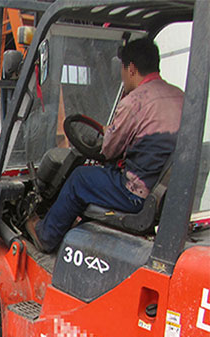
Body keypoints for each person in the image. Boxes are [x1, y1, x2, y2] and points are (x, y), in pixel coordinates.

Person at [26, 37, 184, 253]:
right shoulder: (179, 96)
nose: (122, 76)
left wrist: (107, 134)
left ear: (131, 69)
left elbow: (108, 149)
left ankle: (46, 235)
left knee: (79, 179)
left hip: (136, 194)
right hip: (167, 192)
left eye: (122, 69)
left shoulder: (134, 102)